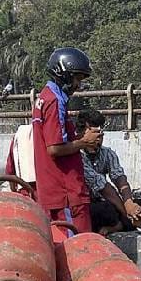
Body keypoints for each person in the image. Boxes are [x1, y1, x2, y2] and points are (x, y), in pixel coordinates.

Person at [29, 47, 99, 233]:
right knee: (76, 248)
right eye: (77, 78)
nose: (78, 85)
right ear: (64, 74)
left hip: (55, 190)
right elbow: (55, 148)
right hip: (65, 192)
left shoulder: (44, 98)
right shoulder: (55, 101)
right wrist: (85, 142)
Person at [76, 109, 141, 234]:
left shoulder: (107, 153)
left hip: (110, 201)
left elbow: (119, 177)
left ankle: (121, 224)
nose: (98, 139)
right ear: (82, 134)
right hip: (91, 203)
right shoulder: (77, 157)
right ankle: (127, 223)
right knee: (103, 210)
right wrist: (128, 212)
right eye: (94, 134)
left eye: (101, 135)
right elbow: (104, 187)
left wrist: (130, 203)